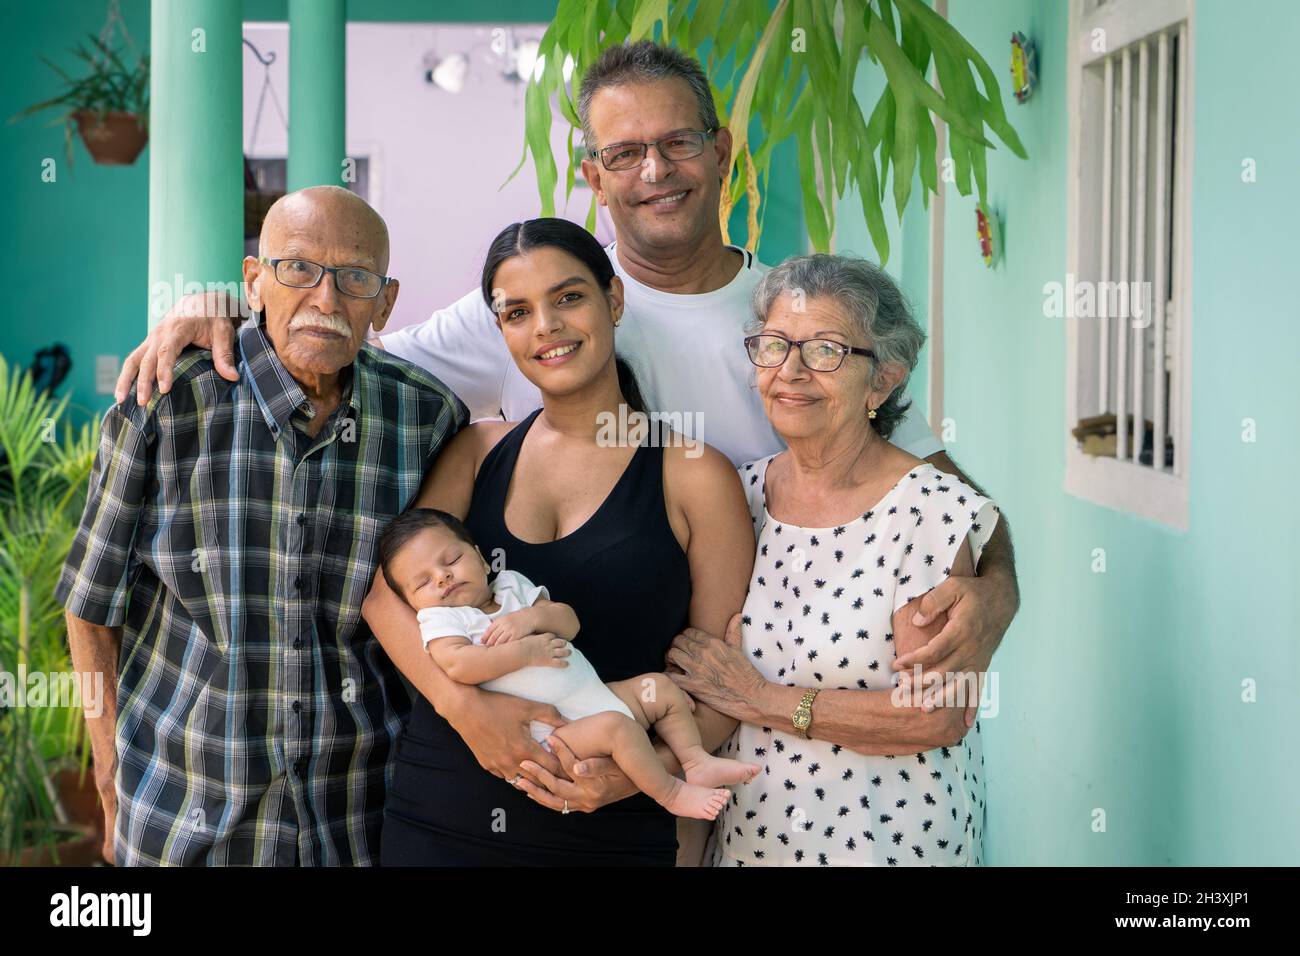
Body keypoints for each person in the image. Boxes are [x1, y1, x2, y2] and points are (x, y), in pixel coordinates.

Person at [112, 40, 1020, 863]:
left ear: (721, 152)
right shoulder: (506, 338)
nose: (654, 171)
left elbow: (941, 501)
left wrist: (995, 590)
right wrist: (230, 311)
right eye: (623, 153)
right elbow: (336, 333)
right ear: (594, 174)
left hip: (721, 782)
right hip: (454, 801)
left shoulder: (786, 329)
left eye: (677, 143)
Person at [58, 186, 467, 865]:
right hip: (183, 812)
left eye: (355, 278)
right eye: (298, 269)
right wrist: (108, 773)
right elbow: (90, 603)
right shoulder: (165, 403)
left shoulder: (425, 420)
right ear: (254, 282)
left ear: (385, 303)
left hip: (362, 816)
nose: (327, 301)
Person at [361, 216, 755, 865]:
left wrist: (630, 774)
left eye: (568, 297)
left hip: (607, 832)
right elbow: (385, 597)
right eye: (517, 312)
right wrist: (468, 712)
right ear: (502, 331)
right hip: (440, 818)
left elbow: (716, 685)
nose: (545, 326)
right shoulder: (476, 449)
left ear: (614, 300)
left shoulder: (693, 474)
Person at [666, 254, 998, 865]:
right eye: (772, 346)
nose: (790, 372)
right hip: (755, 840)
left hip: (888, 841)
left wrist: (762, 698)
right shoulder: (741, 495)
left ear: (884, 380)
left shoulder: (927, 510)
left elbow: (937, 717)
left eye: (826, 350)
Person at [377, 507, 760, 821]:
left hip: (595, 696)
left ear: (480, 557)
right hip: (560, 731)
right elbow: (460, 666)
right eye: (423, 583)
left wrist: (530, 619)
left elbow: (568, 622)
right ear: (413, 605)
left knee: (660, 690)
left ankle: (695, 760)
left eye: (452, 560)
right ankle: (671, 792)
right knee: (617, 728)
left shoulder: (511, 586)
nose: (442, 577)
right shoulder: (444, 621)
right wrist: (524, 653)